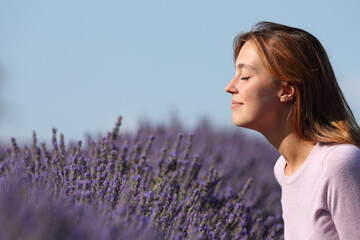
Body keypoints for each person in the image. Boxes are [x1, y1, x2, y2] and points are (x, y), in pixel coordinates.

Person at [225, 21, 360, 240]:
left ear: (287, 90)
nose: (229, 87)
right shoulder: (284, 168)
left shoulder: (338, 163)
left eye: (245, 77)